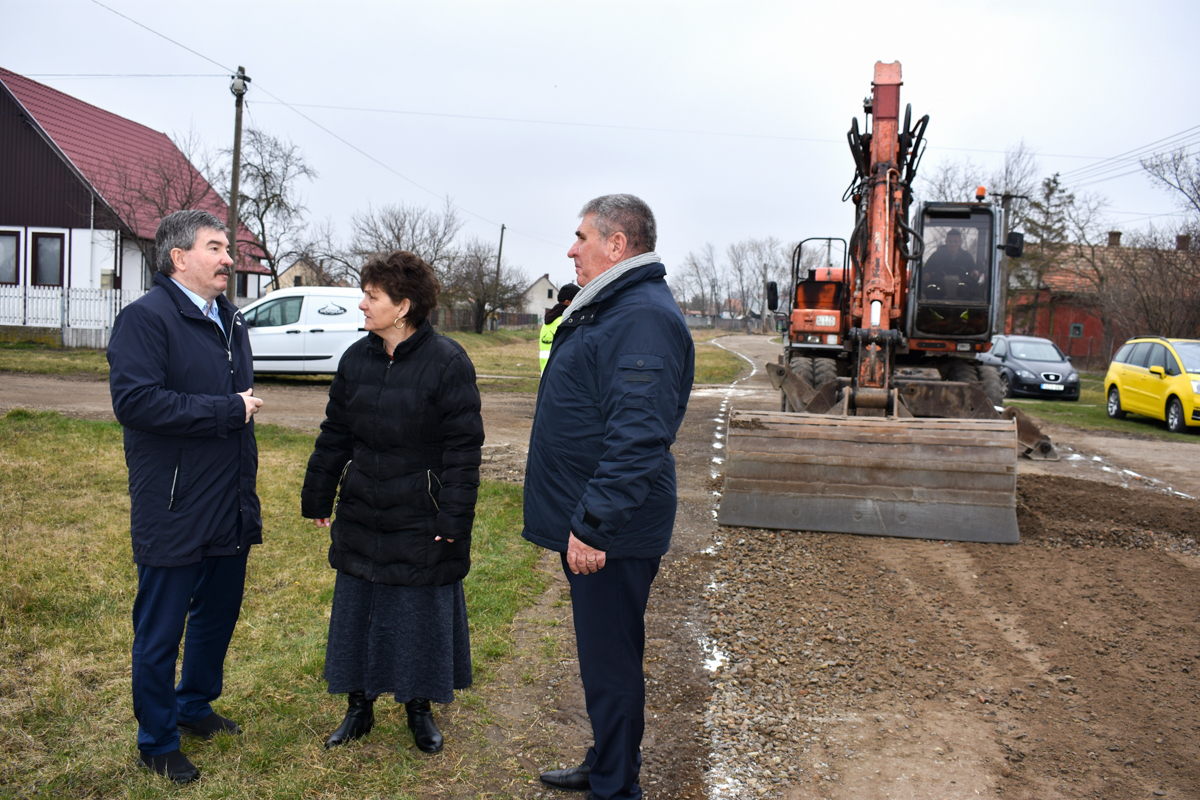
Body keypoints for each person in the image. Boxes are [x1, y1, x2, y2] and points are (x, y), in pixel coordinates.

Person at [524, 195, 694, 800]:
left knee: (611, 663)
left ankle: (616, 788)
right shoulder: (614, 306)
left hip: (614, 529)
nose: (571, 249)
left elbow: (639, 438)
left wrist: (594, 526)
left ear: (616, 244)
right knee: (606, 659)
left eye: (581, 237)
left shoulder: (640, 317)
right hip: (600, 518)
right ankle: (607, 763)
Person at [301, 250, 483, 755]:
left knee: (416, 613)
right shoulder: (355, 359)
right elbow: (335, 433)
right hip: (363, 507)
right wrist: (318, 493)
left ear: (402, 307)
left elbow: (463, 449)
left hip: (420, 513)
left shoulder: (447, 362)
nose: (362, 304)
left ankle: (418, 708)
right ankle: (358, 708)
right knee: (359, 610)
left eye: (372, 296)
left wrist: (453, 517)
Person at [107, 209, 264, 784]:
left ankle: (193, 705)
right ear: (178, 257)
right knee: (161, 629)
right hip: (172, 504)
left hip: (228, 499)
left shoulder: (230, 318)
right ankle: (156, 740)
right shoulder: (145, 319)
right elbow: (136, 402)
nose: (228, 258)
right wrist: (227, 410)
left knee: (216, 615)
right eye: (215, 247)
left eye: (227, 248)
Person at [923, 228, 984, 300]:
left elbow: (973, 271)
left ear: (960, 242)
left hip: (962, 293)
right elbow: (926, 270)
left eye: (955, 241)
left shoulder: (967, 257)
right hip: (939, 292)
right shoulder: (936, 256)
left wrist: (975, 273)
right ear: (946, 242)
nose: (953, 244)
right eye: (950, 241)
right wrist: (926, 275)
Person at [539, 283, 580, 374]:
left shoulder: (549, 322)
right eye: (577, 300)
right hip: (560, 373)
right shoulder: (566, 321)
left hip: (546, 372)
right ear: (568, 302)